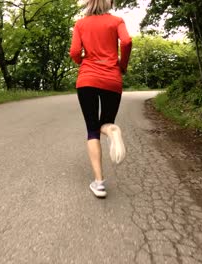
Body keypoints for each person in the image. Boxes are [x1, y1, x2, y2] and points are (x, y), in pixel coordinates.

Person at [69, 0, 132, 198]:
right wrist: (122, 65)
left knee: (92, 129)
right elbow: (127, 41)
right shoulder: (117, 21)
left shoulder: (80, 24)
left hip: (87, 79)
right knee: (105, 123)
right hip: (112, 79)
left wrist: (82, 61)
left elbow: (73, 52)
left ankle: (99, 183)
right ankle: (112, 129)